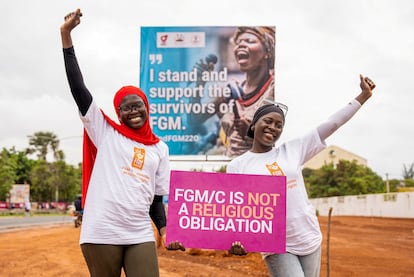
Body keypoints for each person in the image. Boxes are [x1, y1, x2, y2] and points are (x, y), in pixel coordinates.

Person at [60, 9, 181, 277]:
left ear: (147, 107)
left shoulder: (160, 148)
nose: (133, 111)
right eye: (125, 108)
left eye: (137, 105)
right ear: (118, 114)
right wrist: (66, 36)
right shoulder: (105, 132)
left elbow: (156, 198)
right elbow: (78, 88)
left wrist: (163, 228)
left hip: (138, 231)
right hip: (102, 230)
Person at [226, 74, 376, 277]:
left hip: (309, 237)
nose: (273, 127)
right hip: (275, 243)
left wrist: (363, 96)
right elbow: (234, 209)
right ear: (254, 124)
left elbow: (332, 124)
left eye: (279, 125)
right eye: (268, 121)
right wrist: (236, 238)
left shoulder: (293, 149)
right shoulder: (238, 165)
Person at [189, 26, 275, 157]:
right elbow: (195, 119)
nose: (241, 45)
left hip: (258, 168)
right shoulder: (231, 89)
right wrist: (199, 84)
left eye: (249, 41)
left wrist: (251, 133)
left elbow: (277, 135)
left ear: (267, 52)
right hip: (230, 167)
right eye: (238, 42)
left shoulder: (272, 89)